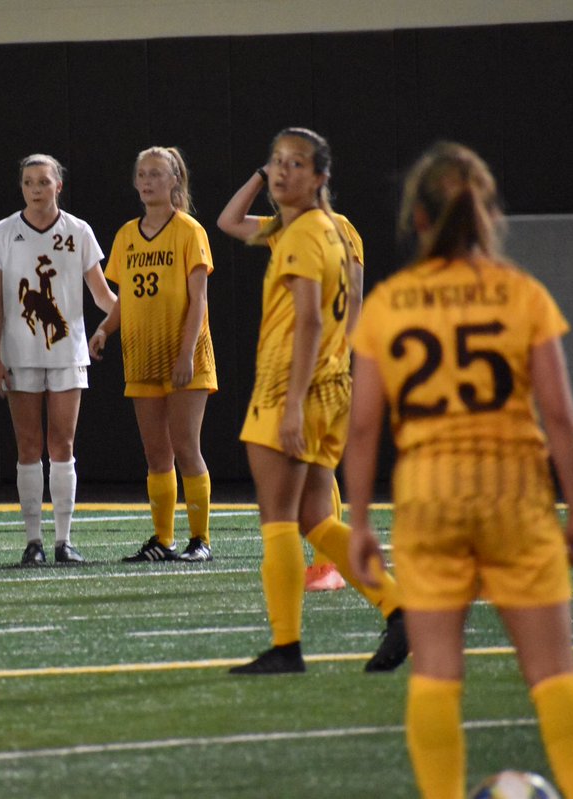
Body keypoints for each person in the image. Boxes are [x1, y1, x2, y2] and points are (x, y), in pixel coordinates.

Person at [346, 142, 573, 798]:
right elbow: (561, 417)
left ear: (419, 218)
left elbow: (364, 425)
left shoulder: (390, 302)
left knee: (435, 673)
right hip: (514, 494)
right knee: (553, 675)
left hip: (429, 496)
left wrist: (358, 524)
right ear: (487, 213)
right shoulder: (521, 293)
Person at [224, 128, 407, 675]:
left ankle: (286, 647)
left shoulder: (301, 233)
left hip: (290, 386)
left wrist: (295, 404)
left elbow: (307, 319)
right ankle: (400, 608)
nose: (282, 172)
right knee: (313, 518)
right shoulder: (332, 230)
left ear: (321, 177)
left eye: (295, 164)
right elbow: (349, 317)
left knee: (277, 518)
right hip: (334, 384)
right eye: (275, 162)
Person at [217, 167, 368, 594]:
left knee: (317, 464)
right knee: (298, 463)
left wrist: (342, 352)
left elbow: (354, 294)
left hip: (322, 363)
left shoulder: (338, 228)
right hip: (285, 364)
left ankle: (331, 563)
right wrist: (258, 178)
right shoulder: (285, 229)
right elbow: (228, 221)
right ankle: (328, 561)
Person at [0, 154, 116, 565]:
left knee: (63, 444)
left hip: (66, 351)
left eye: (43, 181)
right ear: (20, 187)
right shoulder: (3, 233)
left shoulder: (78, 231)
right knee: (28, 446)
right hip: (19, 354)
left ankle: (64, 540)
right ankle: (33, 542)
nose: (36, 189)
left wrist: (124, 317)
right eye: (28, 182)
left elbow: (103, 296)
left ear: (59, 185)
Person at [89, 146, 216, 563]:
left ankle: (201, 541)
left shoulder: (189, 231)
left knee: (185, 446)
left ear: (175, 180)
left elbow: (198, 300)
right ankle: (163, 539)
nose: (146, 181)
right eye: (142, 174)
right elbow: (126, 297)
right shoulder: (127, 234)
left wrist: (185, 355)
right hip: (142, 353)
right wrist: (106, 328)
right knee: (155, 453)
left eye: (156, 174)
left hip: (185, 353)